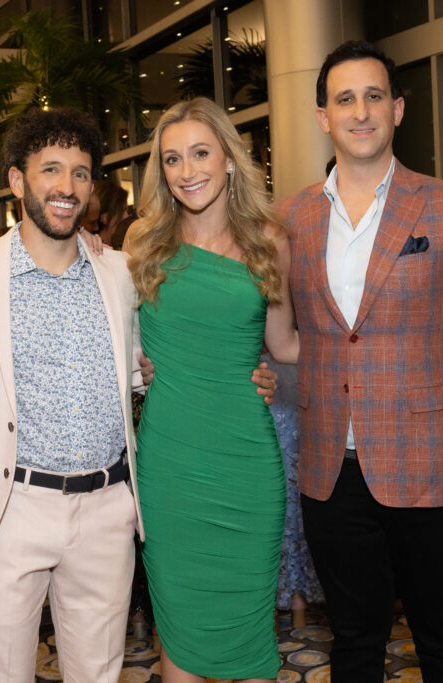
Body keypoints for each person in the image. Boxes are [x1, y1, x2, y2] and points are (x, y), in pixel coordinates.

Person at [0, 106, 278, 682]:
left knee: (100, 673)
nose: (66, 187)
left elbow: (167, 352)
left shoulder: (123, 270)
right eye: (50, 170)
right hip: (11, 509)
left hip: (108, 508)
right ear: (15, 180)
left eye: (80, 173)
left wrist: (255, 374)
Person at [280, 41, 443, 682]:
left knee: (442, 642)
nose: (360, 111)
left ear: (398, 109)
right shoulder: (289, 218)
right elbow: (266, 322)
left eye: (374, 96)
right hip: (330, 473)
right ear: (322, 116)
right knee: (353, 644)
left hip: (432, 470)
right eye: (344, 99)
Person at [124, 97, 297, 682]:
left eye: (200, 152)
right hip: (169, 468)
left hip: (246, 461)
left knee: (251, 634)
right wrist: (136, 368)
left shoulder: (269, 241)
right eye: (172, 159)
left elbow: (288, 345)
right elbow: (115, 340)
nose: (187, 169)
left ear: (229, 159)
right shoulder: (142, 241)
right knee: (181, 638)